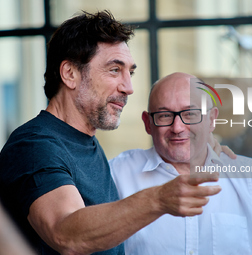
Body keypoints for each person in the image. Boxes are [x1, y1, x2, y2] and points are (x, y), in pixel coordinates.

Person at [0, 11, 224, 255]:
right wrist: (158, 199)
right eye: (115, 70)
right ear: (70, 74)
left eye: (130, 73)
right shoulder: (35, 146)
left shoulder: (84, 142)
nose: (128, 88)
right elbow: (66, 234)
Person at [109, 72, 252, 255]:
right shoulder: (117, 174)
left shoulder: (248, 176)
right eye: (164, 116)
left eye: (190, 114)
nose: (177, 127)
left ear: (212, 119)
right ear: (148, 124)